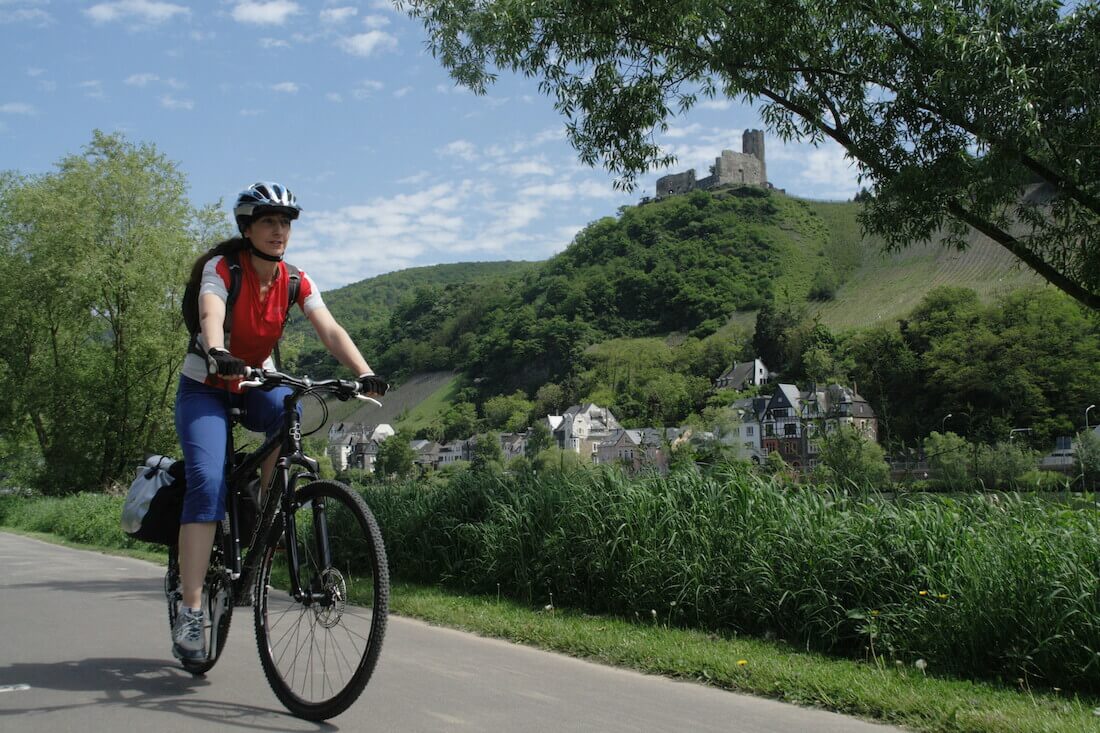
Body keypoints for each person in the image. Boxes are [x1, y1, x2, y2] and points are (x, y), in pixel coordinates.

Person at [172, 181, 387, 662]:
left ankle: (266, 539)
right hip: (206, 386)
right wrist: (218, 350)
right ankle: (190, 611)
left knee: (289, 409)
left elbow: (329, 328)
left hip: (254, 384)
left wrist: (365, 373)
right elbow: (211, 312)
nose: (278, 230)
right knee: (207, 482)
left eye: (285, 222)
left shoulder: (294, 280)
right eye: (268, 221)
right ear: (247, 227)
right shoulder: (222, 269)